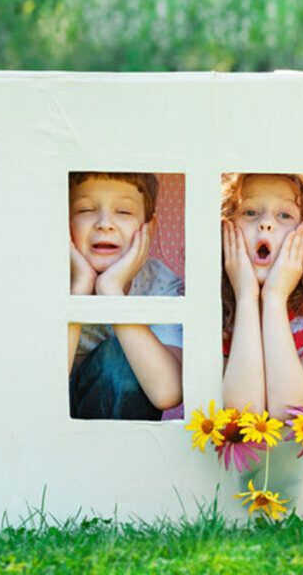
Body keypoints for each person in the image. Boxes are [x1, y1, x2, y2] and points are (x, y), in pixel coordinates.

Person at [67, 172, 183, 420]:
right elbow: (37, 387)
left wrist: (111, 291)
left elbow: (167, 392)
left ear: (148, 229)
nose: (104, 223)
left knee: (121, 359)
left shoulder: (160, 285)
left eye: (124, 212)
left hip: (121, 431)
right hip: (52, 423)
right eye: (86, 209)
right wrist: (79, 288)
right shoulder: (45, 280)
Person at [221, 173, 303, 421]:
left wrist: (275, 297)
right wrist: (245, 295)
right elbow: (245, 413)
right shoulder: (216, 317)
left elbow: (289, 411)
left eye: (284, 215)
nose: (265, 223)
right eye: (250, 212)